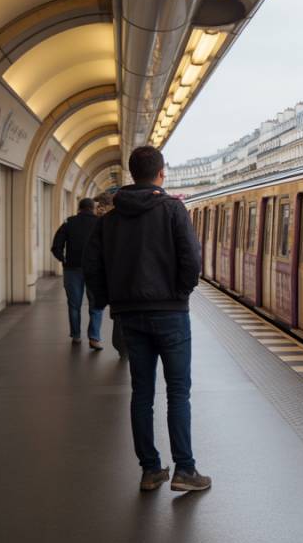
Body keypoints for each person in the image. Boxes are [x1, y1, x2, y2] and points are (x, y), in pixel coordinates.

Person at [84, 146, 209, 493]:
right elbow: (191, 258)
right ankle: (185, 470)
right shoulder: (173, 210)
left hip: (129, 316)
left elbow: (92, 266)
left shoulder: (109, 220)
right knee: (178, 393)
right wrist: (180, 293)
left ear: (130, 173)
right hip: (171, 315)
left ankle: (150, 470)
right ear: (161, 173)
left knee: (142, 393)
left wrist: (109, 301)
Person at [51, 197, 105, 349]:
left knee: (74, 305)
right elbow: (108, 246)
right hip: (95, 270)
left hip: (72, 269)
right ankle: (94, 338)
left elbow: (56, 246)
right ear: (92, 208)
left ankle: (76, 336)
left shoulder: (69, 223)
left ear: (79, 209)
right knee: (96, 304)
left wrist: (64, 260)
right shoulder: (100, 223)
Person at [94, 192, 126, 359]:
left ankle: (122, 348)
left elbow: (92, 261)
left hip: (117, 287)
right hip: (150, 295)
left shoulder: (106, 223)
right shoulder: (167, 210)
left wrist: (100, 296)